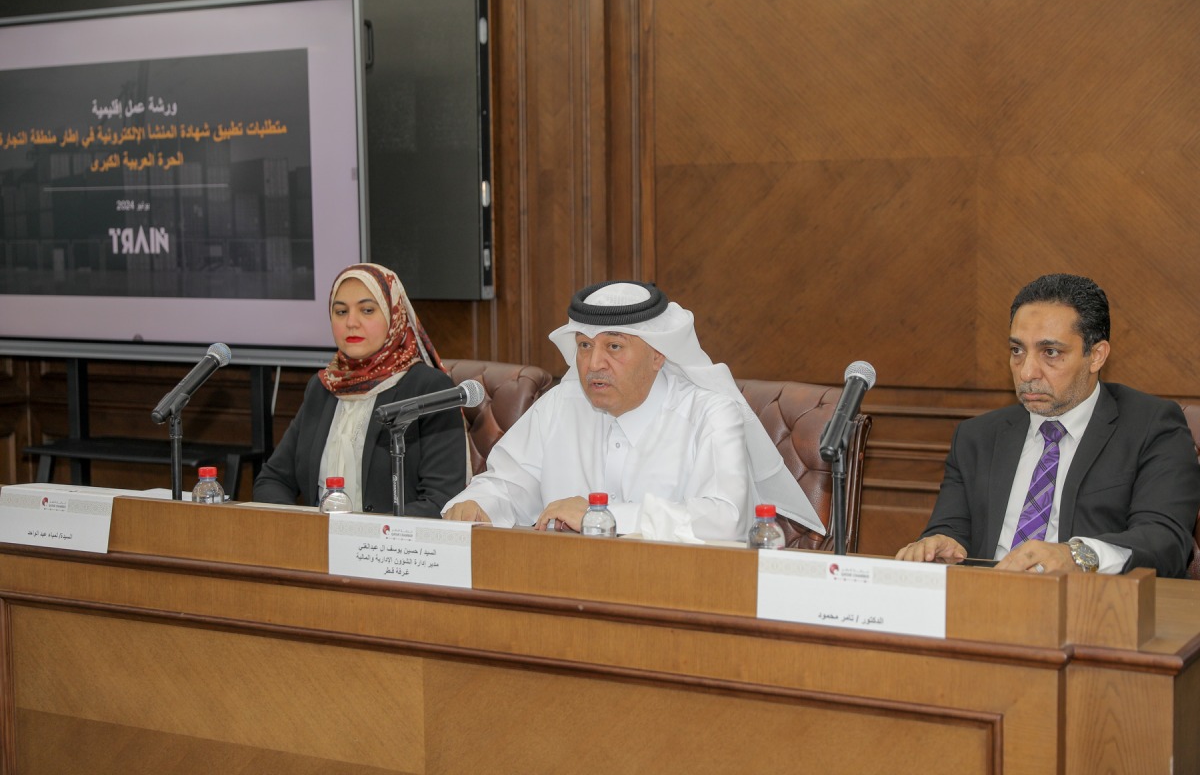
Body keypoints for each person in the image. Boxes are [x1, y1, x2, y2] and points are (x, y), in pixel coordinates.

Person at [441, 280, 824, 543]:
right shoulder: (561, 405)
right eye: (585, 346)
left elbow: (725, 520)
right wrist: (476, 506)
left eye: (614, 347)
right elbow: (508, 483)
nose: (593, 365)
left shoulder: (711, 413)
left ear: (658, 355)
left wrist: (602, 517)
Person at [896, 274, 1200, 577]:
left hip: (1092, 612)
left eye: (1050, 352)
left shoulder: (1151, 426)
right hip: (986, 607)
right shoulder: (977, 437)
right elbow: (951, 529)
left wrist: (1077, 555)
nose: (1027, 371)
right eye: (1017, 350)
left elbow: (1165, 542)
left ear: (1096, 355)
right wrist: (940, 544)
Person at [254, 263, 467, 515]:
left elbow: (440, 499)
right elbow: (272, 480)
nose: (351, 323)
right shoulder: (323, 387)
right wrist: (302, 531)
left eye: (367, 310)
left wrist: (364, 536)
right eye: (341, 311)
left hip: (393, 548)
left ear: (393, 315)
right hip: (319, 546)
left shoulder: (428, 388)